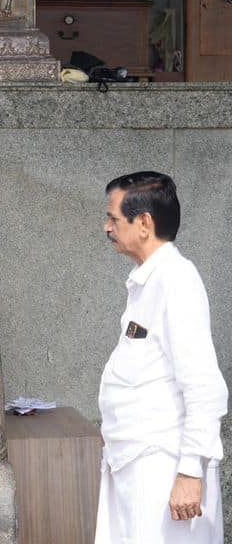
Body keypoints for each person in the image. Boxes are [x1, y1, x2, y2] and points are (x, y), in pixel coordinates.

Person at [96, 171, 227, 544]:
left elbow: (203, 387)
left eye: (114, 219)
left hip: (165, 470)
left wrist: (189, 473)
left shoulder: (177, 281)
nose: (107, 227)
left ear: (144, 223)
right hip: (137, 466)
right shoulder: (147, 281)